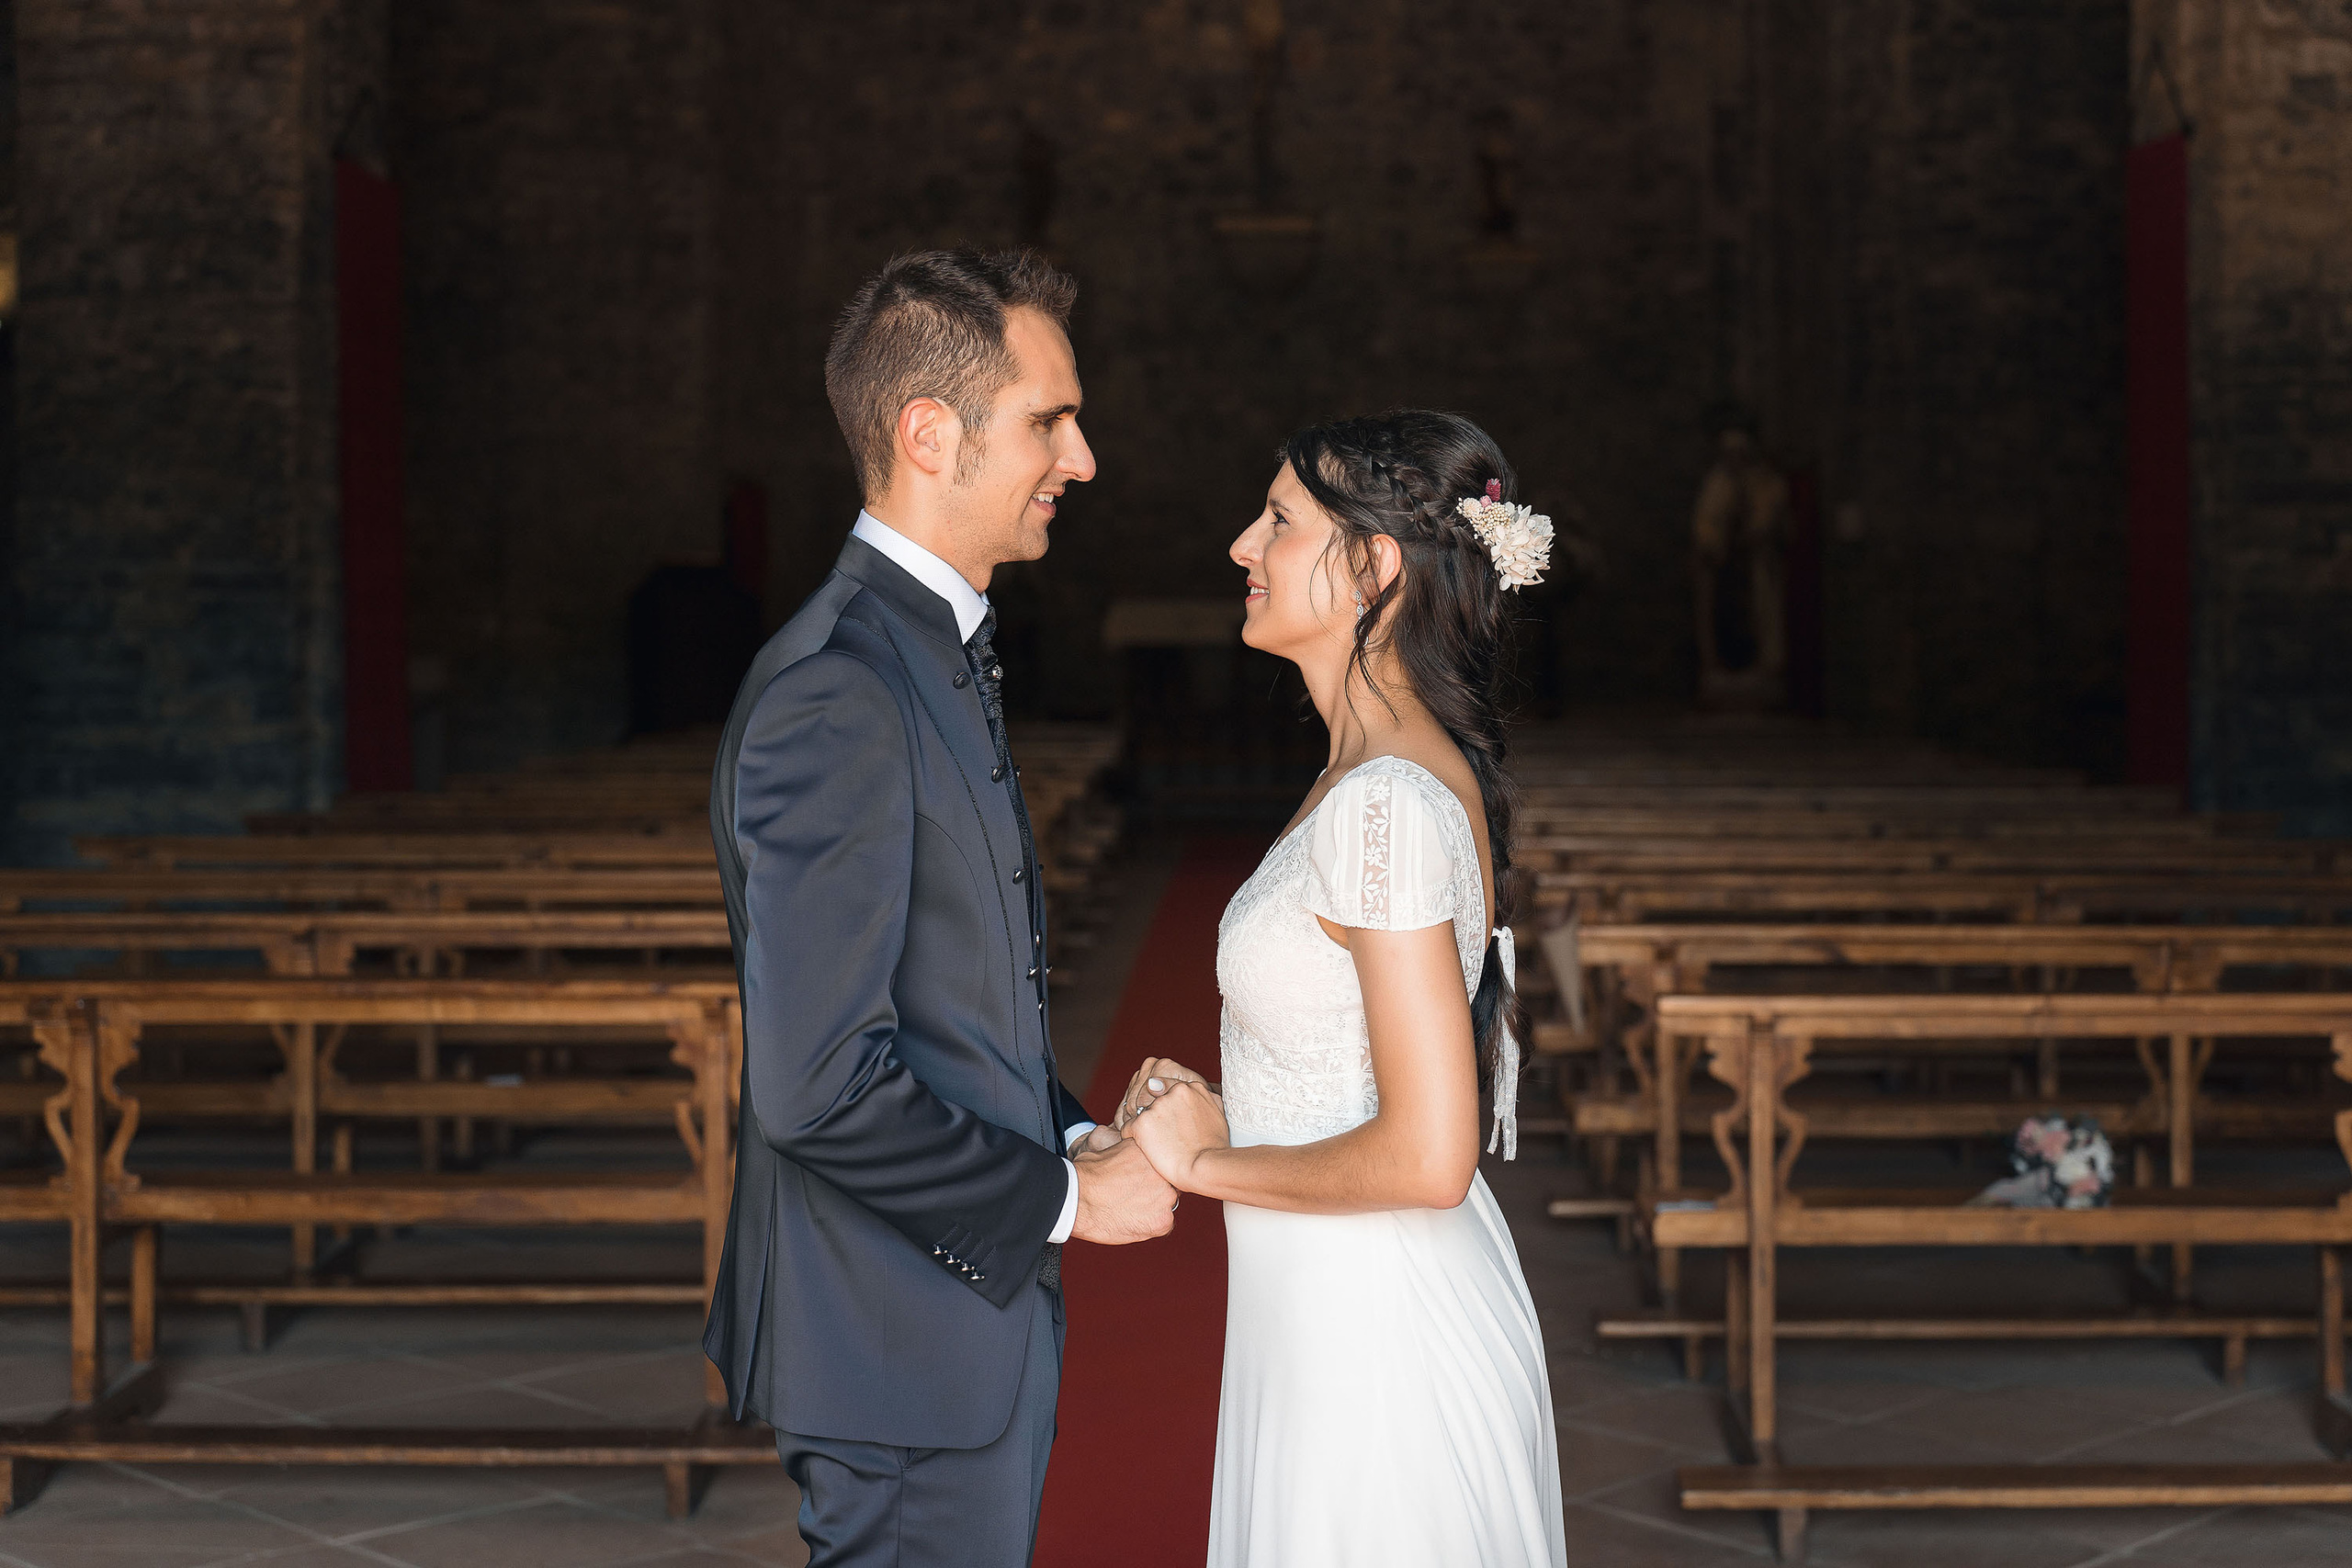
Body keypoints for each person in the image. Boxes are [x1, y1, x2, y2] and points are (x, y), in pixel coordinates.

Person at [703, 248, 1176, 1568]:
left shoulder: (925, 648)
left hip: (939, 1317)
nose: (1080, 460)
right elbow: (815, 1086)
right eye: (1048, 421)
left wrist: (1073, 1129)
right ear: (929, 434)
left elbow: (945, 996)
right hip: (892, 1338)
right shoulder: (840, 687)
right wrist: (1068, 1202)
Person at [1118, 411, 1567, 1567]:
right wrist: (1228, 1107)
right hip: (1322, 1309)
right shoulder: (1368, 776)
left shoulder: (1385, 802)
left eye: (1277, 520)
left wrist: (1204, 1163)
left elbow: (1428, 1156)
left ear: (1372, 567)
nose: (1241, 545)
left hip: (1377, 1343)